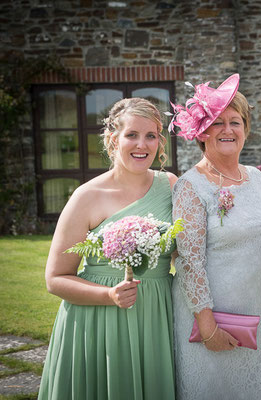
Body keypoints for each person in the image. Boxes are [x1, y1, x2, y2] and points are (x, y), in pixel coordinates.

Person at [38, 98, 178, 400]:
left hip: (156, 317)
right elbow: (56, 278)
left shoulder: (170, 186)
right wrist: (109, 296)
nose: (142, 144)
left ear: (160, 142)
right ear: (113, 139)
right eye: (132, 135)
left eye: (151, 135)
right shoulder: (87, 196)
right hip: (99, 321)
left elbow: (187, 255)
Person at [168, 74, 261, 399]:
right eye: (217, 122)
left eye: (235, 122)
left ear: (246, 129)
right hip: (207, 319)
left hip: (253, 313)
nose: (227, 130)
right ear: (201, 132)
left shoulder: (255, 179)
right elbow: (189, 263)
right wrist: (208, 328)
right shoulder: (191, 186)